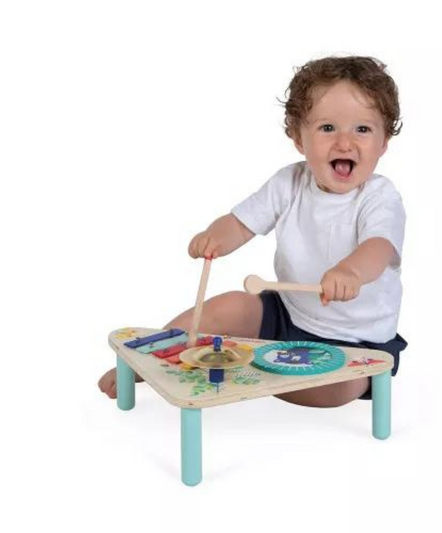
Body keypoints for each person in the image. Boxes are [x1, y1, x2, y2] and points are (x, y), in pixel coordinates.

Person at [99, 55, 408, 407]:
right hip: (287, 314)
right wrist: (218, 235)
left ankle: (246, 368)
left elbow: (379, 247)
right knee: (228, 306)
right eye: (327, 128)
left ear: (384, 142)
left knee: (333, 391)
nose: (344, 143)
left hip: (355, 341)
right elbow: (242, 223)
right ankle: (148, 359)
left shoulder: (380, 197)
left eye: (362, 129)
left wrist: (351, 272)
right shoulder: (289, 182)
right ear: (298, 137)